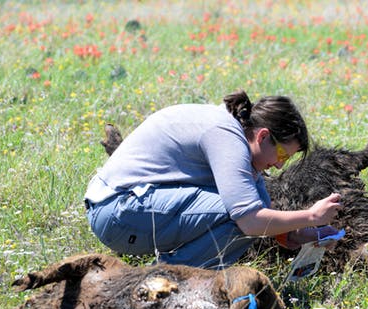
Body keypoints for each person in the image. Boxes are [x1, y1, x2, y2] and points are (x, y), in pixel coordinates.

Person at [84, 90, 342, 269]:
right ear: (263, 136)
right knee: (238, 217)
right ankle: (164, 282)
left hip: (124, 209)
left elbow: (260, 212)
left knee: (256, 201)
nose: (279, 164)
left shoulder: (232, 131)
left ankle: (171, 275)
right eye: (283, 154)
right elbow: (251, 221)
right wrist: (311, 216)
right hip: (116, 211)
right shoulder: (225, 136)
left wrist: (299, 236)